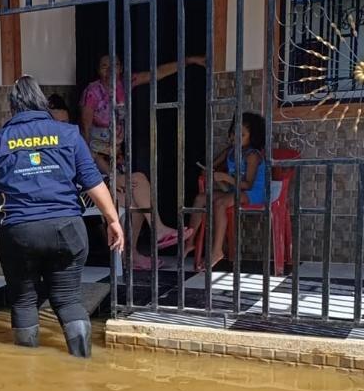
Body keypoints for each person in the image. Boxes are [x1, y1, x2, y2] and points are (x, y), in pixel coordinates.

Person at [0, 76, 124, 357]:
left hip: (19, 233)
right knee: (68, 299)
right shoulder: (68, 134)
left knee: (24, 301)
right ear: (41, 102)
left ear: (13, 106)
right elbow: (93, 181)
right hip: (67, 229)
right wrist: (113, 220)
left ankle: (28, 369)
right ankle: (82, 363)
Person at [79, 54, 203, 269]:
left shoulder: (125, 83)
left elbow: (158, 74)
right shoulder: (92, 92)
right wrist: (109, 174)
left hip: (116, 162)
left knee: (136, 193)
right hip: (94, 168)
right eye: (104, 66)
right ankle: (154, 234)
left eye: (114, 65)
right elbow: (86, 137)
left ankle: (138, 248)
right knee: (135, 188)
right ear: (98, 70)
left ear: (121, 68)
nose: (110, 70)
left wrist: (190, 60)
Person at [186, 112, 268, 271]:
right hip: (235, 192)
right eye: (233, 132)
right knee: (200, 199)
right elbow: (211, 166)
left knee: (220, 203)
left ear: (253, 136)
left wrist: (224, 177)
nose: (236, 137)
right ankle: (189, 243)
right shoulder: (229, 152)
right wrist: (208, 172)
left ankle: (217, 251)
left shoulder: (253, 156)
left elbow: (248, 185)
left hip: (253, 194)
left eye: (242, 134)